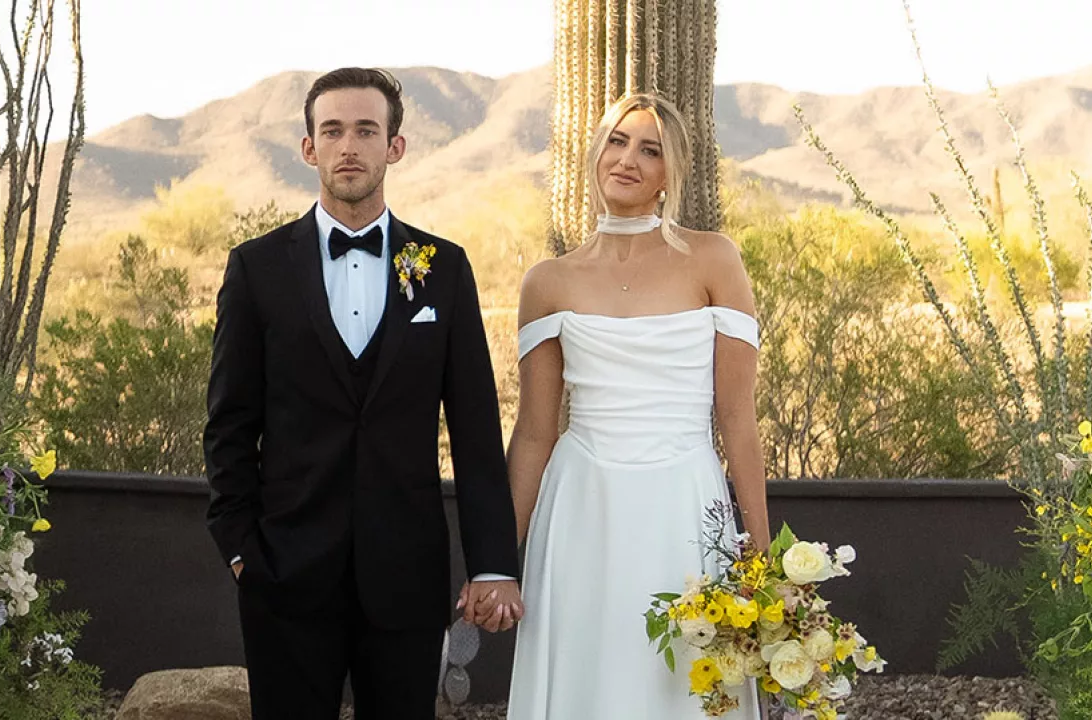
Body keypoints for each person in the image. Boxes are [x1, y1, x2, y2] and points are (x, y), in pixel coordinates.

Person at [203, 67, 522, 720]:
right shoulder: (256, 269)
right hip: (283, 575)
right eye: (333, 130)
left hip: (405, 576)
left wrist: (492, 562)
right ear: (309, 148)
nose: (349, 146)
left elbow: (476, 429)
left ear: (394, 147)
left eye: (366, 130)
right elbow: (229, 424)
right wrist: (241, 550)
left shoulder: (442, 268)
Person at [505, 92, 771, 719]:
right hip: (580, 510)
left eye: (649, 149)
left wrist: (762, 557)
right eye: (618, 142)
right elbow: (535, 433)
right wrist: (496, 562)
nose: (627, 159)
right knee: (583, 674)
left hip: (683, 502)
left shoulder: (714, 259)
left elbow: (737, 417)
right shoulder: (547, 282)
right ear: (595, 153)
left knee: (682, 677)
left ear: (671, 174)